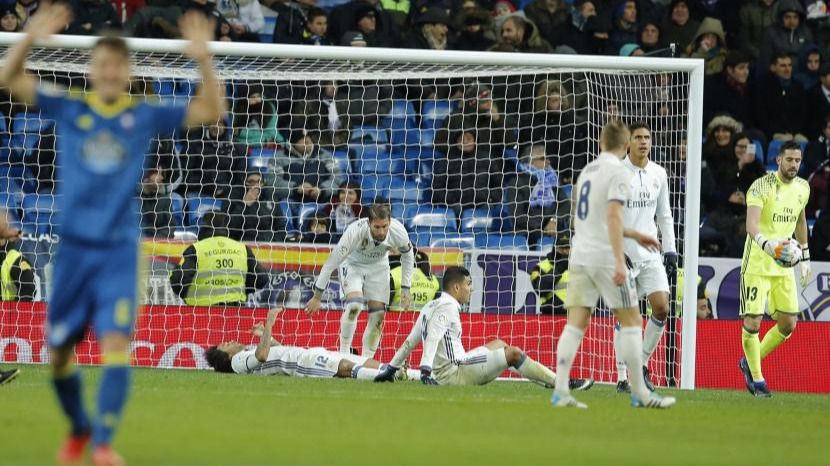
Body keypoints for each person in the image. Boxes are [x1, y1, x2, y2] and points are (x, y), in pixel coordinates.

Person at [0, 5, 223, 464]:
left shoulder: (142, 116)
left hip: (119, 250)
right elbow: (11, 80)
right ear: (92, 69)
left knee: (116, 344)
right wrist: (29, 36)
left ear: (126, 73)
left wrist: (203, 58)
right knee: (60, 351)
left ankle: (102, 443)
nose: (109, 72)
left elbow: (211, 108)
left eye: (118, 66)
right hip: (74, 249)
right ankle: (80, 427)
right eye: (102, 64)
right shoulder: (71, 107)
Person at [551, 120, 674, 409]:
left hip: (580, 255)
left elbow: (595, 218)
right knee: (632, 320)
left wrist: (637, 235)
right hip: (606, 256)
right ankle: (639, 390)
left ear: (601, 143)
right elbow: (614, 218)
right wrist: (620, 259)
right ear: (624, 144)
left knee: (576, 324)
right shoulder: (619, 172)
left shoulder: (587, 172)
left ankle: (560, 391)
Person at [373, 266, 594, 390]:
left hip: (455, 366)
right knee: (513, 353)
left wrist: (391, 369)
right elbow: (431, 338)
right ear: (457, 286)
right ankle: (560, 383)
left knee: (498, 343)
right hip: (456, 373)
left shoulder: (432, 305)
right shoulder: (448, 307)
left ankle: (546, 381)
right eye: (469, 284)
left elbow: (411, 341)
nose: (472, 289)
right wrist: (425, 371)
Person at [739, 141, 811, 398]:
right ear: (778, 160)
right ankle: (757, 381)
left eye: (797, 161)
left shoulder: (803, 187)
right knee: (753, 321)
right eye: (789, 160)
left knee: (788, 324)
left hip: (784, 265)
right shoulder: (761, 186)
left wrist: (805, 256)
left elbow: (801, 220)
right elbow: (751, 225)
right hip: (758, 263)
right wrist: (768, 246)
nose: (793, 165)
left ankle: (749, 361)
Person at [609, 122, 677, 394]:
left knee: (661, 308)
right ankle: (623, 376)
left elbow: (664, 215)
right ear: (628, 143)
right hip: (623, 255)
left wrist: (670, 249)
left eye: (647, 137)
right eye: (638, 137)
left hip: (650, 255)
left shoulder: (658, 174)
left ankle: (643, 364)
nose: (643, 142)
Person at [304, 204, 414, 359]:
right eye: (377, 227)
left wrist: (405, 287)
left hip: (379, 266)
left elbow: (408, 257)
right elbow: (331, 264)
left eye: (385, 226)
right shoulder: (354, 232)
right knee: (355, 305)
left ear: (389, 222)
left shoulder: (398, 231)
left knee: (378, 316)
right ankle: (343, 356)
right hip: (352, 264)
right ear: (368, 223)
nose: (381, 231)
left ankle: (366, 360)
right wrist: (317, 296)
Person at [205, 307, 421, 380]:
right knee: (343, 366)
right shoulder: (238, 363)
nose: (230, 341)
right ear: (226, 357)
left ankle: (410, 375)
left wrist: (266, 336)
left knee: (359, 360)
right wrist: (269, 323)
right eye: (225, 344)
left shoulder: (247, 353)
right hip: (300, 363)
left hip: (302, 354)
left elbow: (272, 352)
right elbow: (263, 357)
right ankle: (386, 376)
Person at [169, 211, 269, 306]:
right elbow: (261, 279)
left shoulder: (196, 249)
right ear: (225, 225)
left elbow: (178, 281)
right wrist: (240, 290)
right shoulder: (242, 249)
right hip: (235, 312)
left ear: (204, 225)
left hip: (201, 312)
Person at [754, 52, 808, 143]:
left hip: (794, 133)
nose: (787, 69)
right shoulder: (762, 87)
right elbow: (761, 116)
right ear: (773, 67)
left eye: (789, 65)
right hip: (772, 133)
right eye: (783, 66)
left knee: (804, 142)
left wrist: (794, 132)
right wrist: (775, 133)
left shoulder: (798, 87)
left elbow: (803, 113)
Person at [703, 50, 755, 130]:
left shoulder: (750, 86)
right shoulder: (712, 85)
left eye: (747, 68)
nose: (746, 72)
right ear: (729, 70)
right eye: (741, 68)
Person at [758, 0, 812, 69]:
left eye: (795, 17)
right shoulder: (771, 32)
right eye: (787, 17)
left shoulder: (805, 32)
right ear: (781, 17)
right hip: (778, 75)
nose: (792, 21)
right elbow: (764, 61)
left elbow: (811, 57)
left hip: (801, 75)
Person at [529, 231, 570, 315]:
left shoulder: (581, 267)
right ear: (555, 247)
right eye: (562, 248)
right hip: (551, 316)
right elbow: (540, 290)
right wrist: (559, 268)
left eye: (568, 247)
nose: (565, 251)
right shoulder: (539, 267)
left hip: (577, 316)